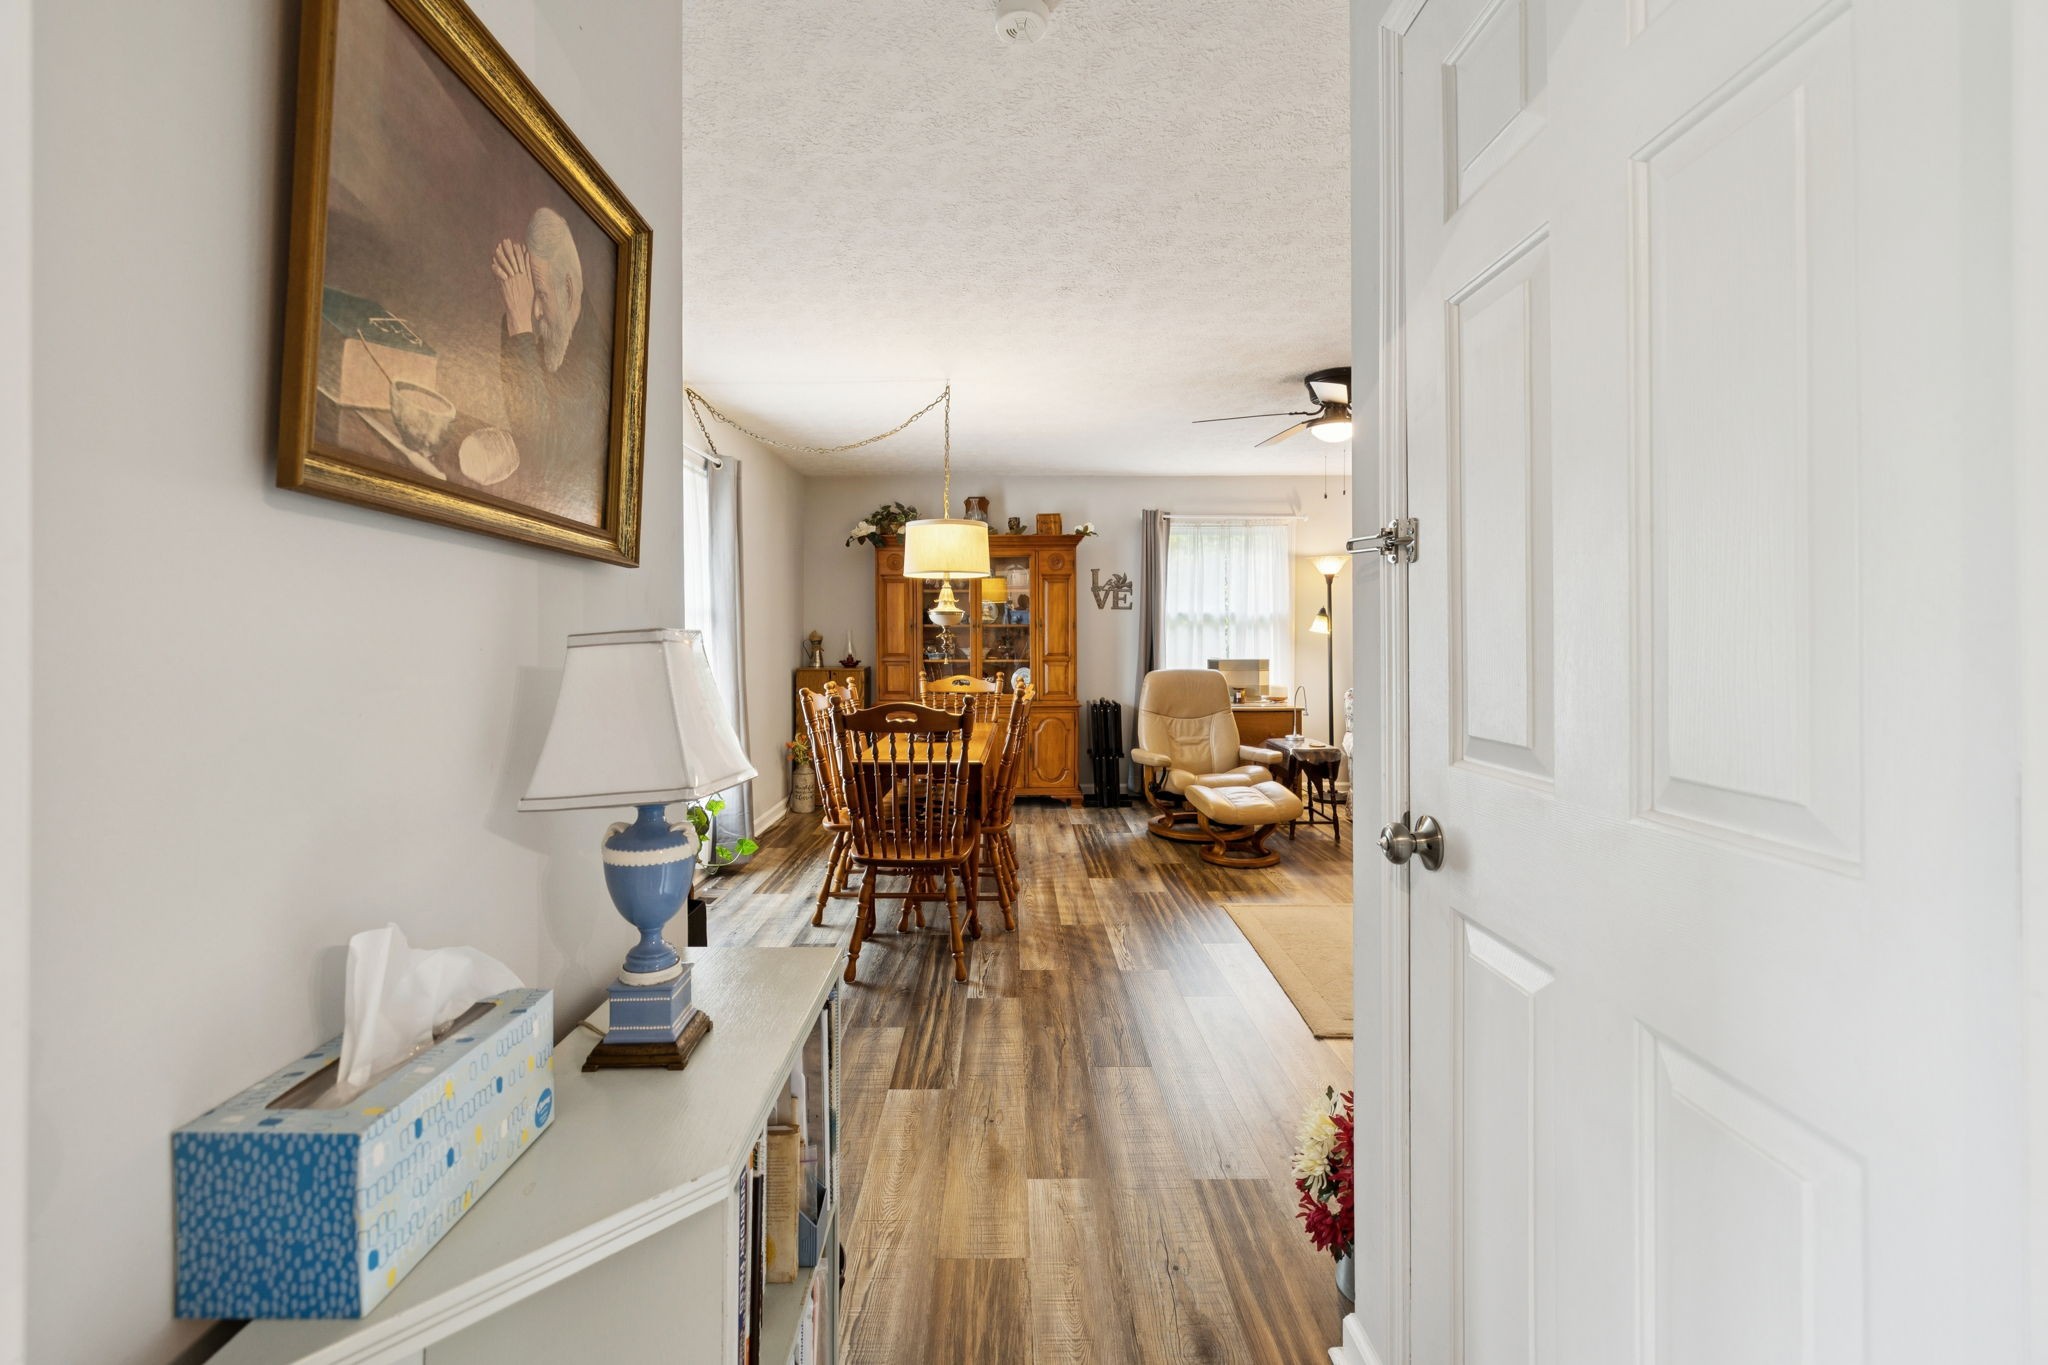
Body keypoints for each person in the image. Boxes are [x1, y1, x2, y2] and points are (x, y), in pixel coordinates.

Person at [492, 207, 590, 470]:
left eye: (542, 295)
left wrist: (520, 323)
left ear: (568, 291)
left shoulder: (593, 363)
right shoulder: (557, 334)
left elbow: (543, 451)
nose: (534, 312)